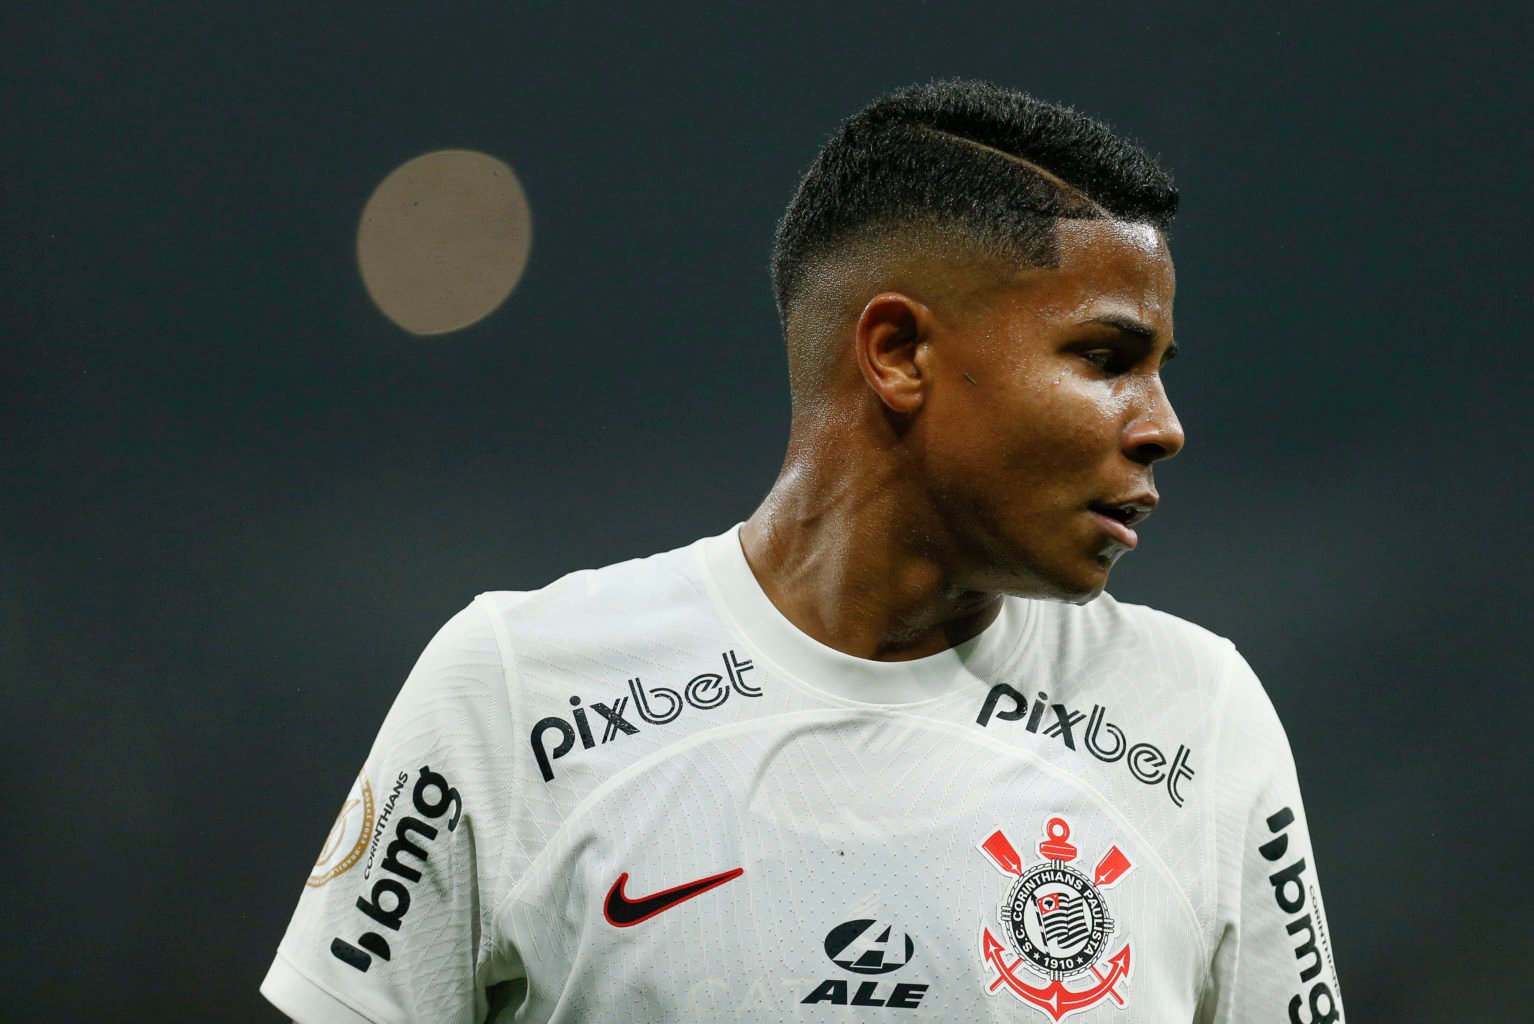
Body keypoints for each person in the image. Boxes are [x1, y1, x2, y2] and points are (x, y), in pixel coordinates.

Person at [261, 79, 1344, 1024]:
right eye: (1106, 355)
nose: (1162, 423)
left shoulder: (1197, 722)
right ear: (899, 351)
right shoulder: (510, 692)